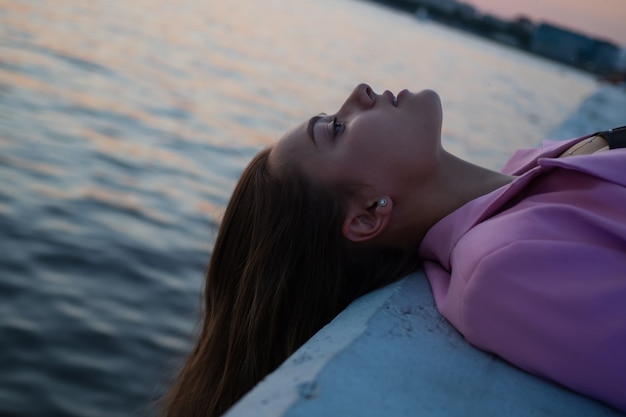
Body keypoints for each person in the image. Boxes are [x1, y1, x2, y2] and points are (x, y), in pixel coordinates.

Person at [163, 83, 626, 416]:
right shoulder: (503, 272)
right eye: (337, 128)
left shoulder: (537, 165)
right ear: (367, 214)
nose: (359, 93)